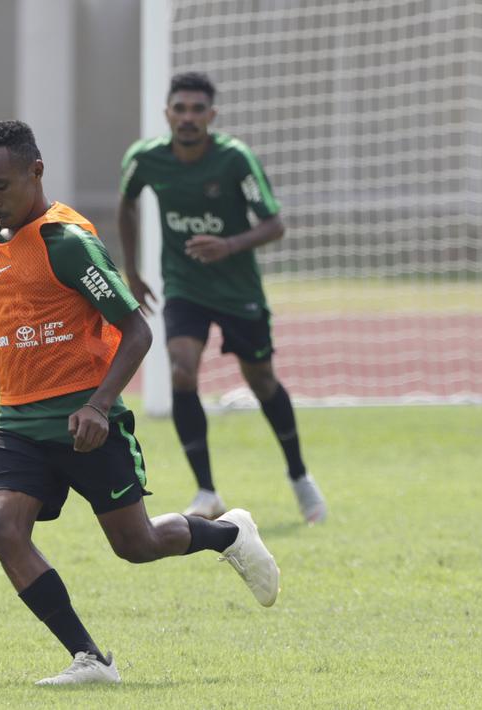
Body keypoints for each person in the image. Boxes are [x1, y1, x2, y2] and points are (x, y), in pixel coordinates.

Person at [0, 120, 279, 685]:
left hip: (86, 422)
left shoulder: (68, 243)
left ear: (36, 171)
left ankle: (228, 533)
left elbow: (137, 331)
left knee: (137, 544)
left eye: (0, 186)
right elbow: (5, 313)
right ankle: (91, 659)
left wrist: (100, 407)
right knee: (1, 529)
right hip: (20, 423)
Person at [117, 72, 327, 524]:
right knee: (181, 370)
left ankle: (299, 476)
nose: (188, 118)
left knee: (262, 381)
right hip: (184, 286)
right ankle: (206, 491)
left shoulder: (234, 159)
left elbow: (275, 224)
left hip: (237, 289)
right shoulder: (145, 159)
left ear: (211, 115)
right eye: (180, 109)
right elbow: (127, 203)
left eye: (198, 110)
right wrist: (131, 271)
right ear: (167, 113)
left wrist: (228, 245)